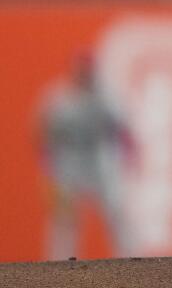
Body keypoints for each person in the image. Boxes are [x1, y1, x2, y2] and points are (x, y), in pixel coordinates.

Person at [39, 52, 135, 260]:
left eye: (87, 71)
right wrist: (48, 172)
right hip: (69, 160)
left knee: (116, 213)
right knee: (64, 220)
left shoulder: (107, 96)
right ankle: (57, 268)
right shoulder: (57, 98)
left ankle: (129, 262)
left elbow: (123, 129)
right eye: (80, 71)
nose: (84, 75)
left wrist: (128, 160)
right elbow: (44, 135)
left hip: (99, 157)